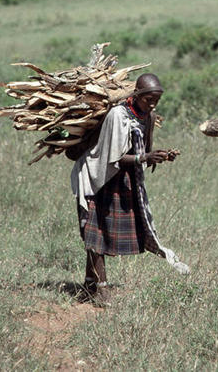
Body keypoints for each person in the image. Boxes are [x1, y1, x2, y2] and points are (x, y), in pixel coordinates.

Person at [71, 72, 188, 304]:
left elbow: (143, 149)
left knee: (103, 230)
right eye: (148, 99)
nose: (152, 104)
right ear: (136, 95)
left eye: (156, 100)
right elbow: (112, 158)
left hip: (124, 179)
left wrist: (160, 156)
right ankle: (101, 290)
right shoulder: (118, 115)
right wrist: (144, 157)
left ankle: (88, 284)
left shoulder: (148, 116)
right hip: (99, 176)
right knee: (96, 231)